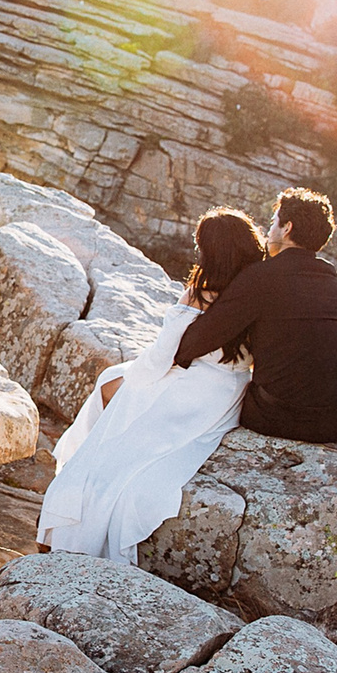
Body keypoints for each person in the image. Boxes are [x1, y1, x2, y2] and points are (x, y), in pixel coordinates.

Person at [32, 209, 264, 564]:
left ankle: (72, 501)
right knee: (112, 382)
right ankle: (82, 482)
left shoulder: (201, 294)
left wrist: (140, 374)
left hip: (188, 388)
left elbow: (159, 360)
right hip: (225, 393)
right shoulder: (256, 294)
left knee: (112, 387)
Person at [174, 186, 337, 443]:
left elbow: (201, 338)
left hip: (276, 418)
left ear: (287, 228)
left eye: (273, 223)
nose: (269, 232)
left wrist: (174, 359)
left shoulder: (262, 277)